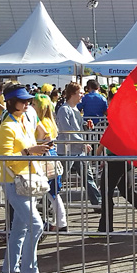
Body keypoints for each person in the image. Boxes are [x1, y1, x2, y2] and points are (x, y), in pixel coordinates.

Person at [0, 84, 50, 273]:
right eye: (23, 100)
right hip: (14, 181)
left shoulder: (22, 122)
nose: (27, 103)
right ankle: (29, 269)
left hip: (26, 181)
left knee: (20, 228)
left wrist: (38, 149)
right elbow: (4, 157)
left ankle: (9, 269)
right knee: (35, 225)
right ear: (11, 103)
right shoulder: (7, 126)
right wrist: (29, 151)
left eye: (28, 100)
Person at [56, 82, 102, 211]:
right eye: (80, 93)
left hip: (77, 150)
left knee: (88, 177)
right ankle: (48, 202)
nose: (82, 95)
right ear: (72, 94)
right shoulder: (64, 109)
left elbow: (78, 127)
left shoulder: (76, 109)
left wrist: (87, 126)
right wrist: (82, 143)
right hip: (66, 151)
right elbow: (67, 131)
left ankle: (97, 203)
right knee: (60, 179)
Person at [95, 144, 137, 235]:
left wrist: (99, 152)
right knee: (128, 192)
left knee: (106, 193)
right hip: (126, 158)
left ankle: (105, 229)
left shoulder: (113, 129)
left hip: (115, 160)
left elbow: (104, 143)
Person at [32, 93, 67, 232]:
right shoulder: (49, 121)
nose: (31, 106)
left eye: (34, 104)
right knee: (51, 193)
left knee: (49, 192)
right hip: (49, 158)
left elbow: (41, 141)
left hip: (44, 159)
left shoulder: (42, 123)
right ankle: (60, 221)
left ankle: (61, 222)